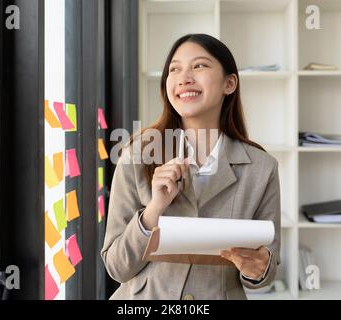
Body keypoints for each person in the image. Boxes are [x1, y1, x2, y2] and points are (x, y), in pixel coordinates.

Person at [101, 33, 281, 300]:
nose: (184, 77)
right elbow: (116, 267)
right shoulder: (137, 154)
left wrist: (258, 268)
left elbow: (264, 272)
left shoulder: (262, 167)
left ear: (229, 83)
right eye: (175, 69)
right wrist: (154, 210)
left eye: (199, 65)